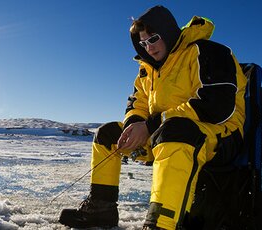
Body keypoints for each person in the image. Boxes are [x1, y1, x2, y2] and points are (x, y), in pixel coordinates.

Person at [59, 5, 247, 230]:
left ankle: (161, 224)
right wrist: (134, 125)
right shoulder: (148, 70)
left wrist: (151, 126)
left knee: (175, 130)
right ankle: (101, 210)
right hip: (164, 134)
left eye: (153, 38)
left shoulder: (208, 51)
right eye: (143, 43)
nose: (148, 47)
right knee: (108, 134)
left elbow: (217, 106)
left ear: (168, 31)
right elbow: (137, 104)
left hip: (219, 136)